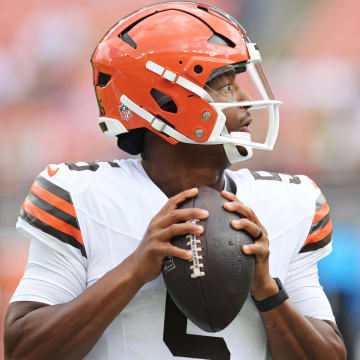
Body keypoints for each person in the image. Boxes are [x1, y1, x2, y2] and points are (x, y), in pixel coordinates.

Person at [4, 2, 346, 359]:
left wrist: (267, 290)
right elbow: (25, 350)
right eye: (227, 86)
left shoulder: (289, 201)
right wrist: (133, 271)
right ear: (167, 102)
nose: (246, 101)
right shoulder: (80, 197)